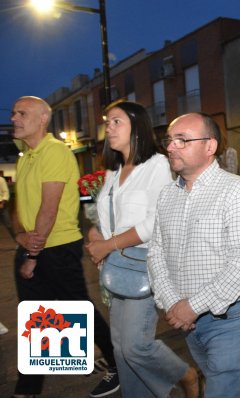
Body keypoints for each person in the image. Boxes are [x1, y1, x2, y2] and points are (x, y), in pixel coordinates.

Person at [84, 101, 199, 398]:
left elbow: (153, 223)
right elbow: (109, 217)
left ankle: (184, 374)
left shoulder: (158, 166)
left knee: (136, 345)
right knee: (121, 348)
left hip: (143, 264)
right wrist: (96, 234)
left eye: (116, 122)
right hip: (115, 265)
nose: (108, 127)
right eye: (107, 122)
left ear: (137, 126)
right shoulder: (114, 170)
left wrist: (107, 245)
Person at [148, 112, 240, 397]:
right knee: (233, 387)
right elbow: (156, 253)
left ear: (210, 147)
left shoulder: (237, 192)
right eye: (169, 140)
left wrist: (192, 306)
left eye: (182, 140)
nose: (171, 147)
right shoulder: (167, 195)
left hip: (231, 316)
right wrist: (173, 302)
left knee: (223, 389)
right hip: (187, 319)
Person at [10, 96, 119, 398]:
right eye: (13, 113)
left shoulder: (55, 152)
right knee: (37, 317)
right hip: (34, 247)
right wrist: (20, 234)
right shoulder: (26, 156)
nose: (14, 118)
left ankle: (119, 365)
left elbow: (49, 207)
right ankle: (27, 389)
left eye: (22, 113)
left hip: (56, 249)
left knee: (79, 310)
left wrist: (32, 254)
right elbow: (21, 202)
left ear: (43, 119)